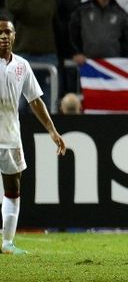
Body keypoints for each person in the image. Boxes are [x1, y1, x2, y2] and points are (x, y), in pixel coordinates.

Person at [0, 14, 66, 254]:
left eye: (7, 32)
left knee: (13, 188)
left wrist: (52, 130)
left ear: (14, 36)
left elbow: (35, 101)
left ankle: (7, 243)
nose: (3, 36)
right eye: (0, 33)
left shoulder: (22, 66)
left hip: (11, 137)